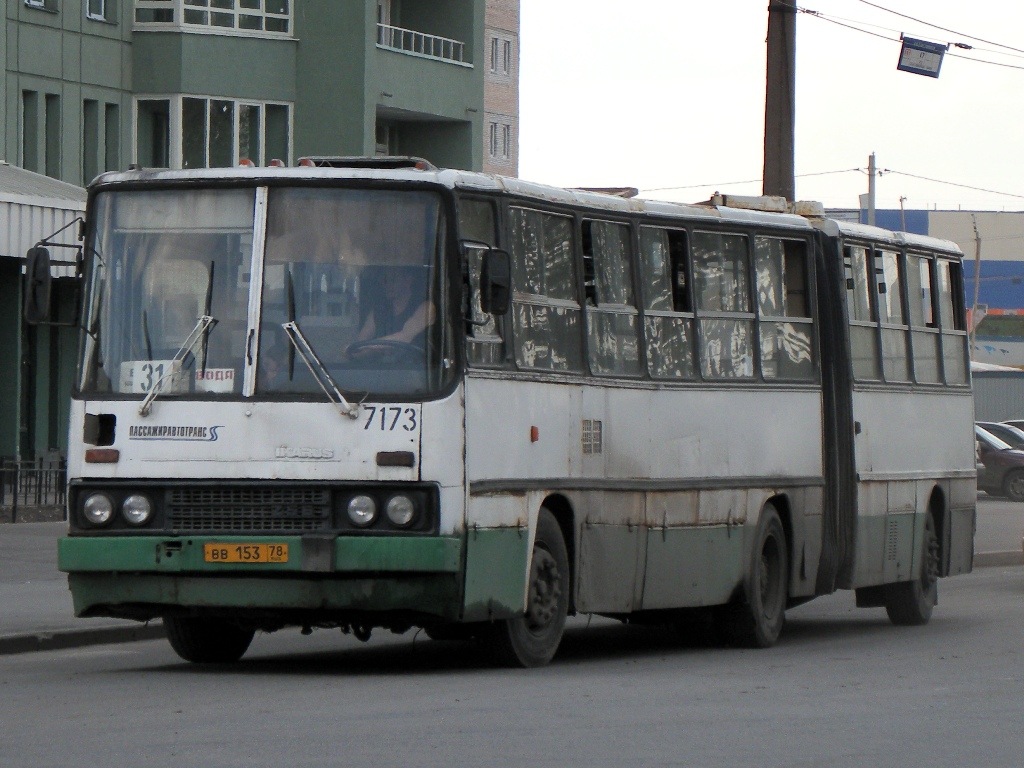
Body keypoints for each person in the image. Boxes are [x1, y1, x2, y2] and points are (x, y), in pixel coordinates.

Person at [347, 266, 436, 358]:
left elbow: (405, 337)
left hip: (416, 368)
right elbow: (361, 343)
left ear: (408, 281)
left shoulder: (426, 308)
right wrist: (354, 352)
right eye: (385, 280)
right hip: (383, 369)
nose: (387, 284)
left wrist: (368, 346)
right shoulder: (378, 311)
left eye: (393, 280)